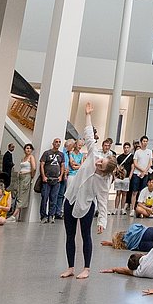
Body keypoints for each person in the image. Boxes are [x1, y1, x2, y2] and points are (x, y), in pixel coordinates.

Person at [61, 102, 112, 278]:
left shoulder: (103, 182)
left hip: (85, 206)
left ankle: (86, 268)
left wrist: (102, 222)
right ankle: (70, 267)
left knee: (85, 235)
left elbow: (103, 202)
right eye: (100, 161)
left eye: (101, 164)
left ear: (105, 170)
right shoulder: (94, 156)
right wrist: (88, 115)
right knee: (69, 235)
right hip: (70, 199)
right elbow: (89, 136)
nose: (98, 162)